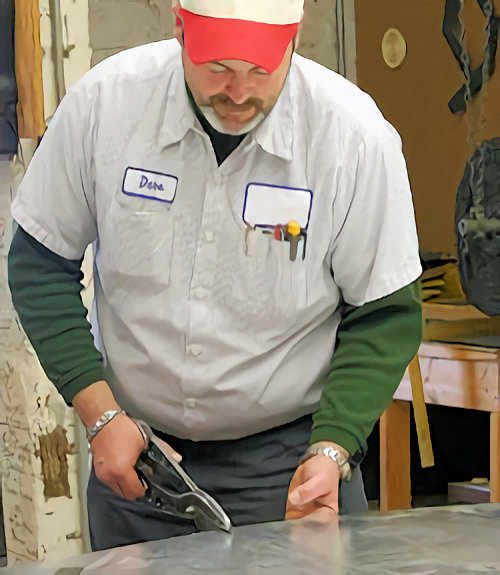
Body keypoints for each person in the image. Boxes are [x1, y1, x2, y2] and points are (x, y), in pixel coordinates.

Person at [8, 0, 422, 551]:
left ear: (293, 42)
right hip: (140, 466)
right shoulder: (104, 107)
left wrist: (334, 447)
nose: (239, 92)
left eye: (260, 71)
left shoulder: (353, 138)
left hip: (288, 470)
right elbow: (39, 262)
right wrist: (98, 411)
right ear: (180, 31)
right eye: (218, 68)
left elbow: (385, 313)